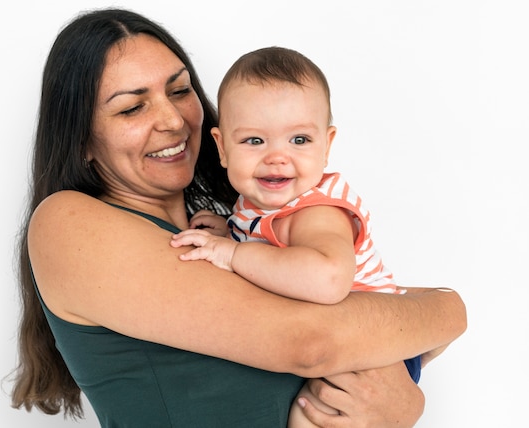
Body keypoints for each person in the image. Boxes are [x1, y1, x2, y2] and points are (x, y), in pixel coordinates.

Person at [9, 8, 466, 428]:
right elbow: (311, 342)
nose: (172, 119)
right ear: (82, 139)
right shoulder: (67, 223)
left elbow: (376, 304)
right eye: (132, 106)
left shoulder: (234, 231)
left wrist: (409, 380)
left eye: (180, 90)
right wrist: (445, 314)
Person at [169, 46, 428, 426]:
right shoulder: (256, 207)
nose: (277, 156)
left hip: (374, 349)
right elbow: (275, 250)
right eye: (254, 141)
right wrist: (232, 232)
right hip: (347, 340)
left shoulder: (315, 211)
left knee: (308, 413)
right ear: (222, 147)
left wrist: (231, 254)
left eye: (300, 141)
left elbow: (327, 279)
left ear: (328, 145)